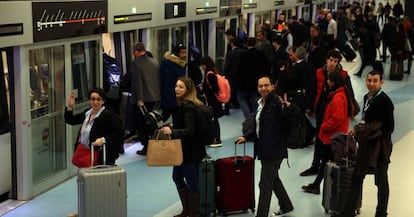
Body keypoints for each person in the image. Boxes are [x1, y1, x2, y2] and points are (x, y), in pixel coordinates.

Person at [235, 75, 299, 217]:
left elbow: (292, 119)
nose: (263, 88)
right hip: (264, 148)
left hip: (274, 150)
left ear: (272, 86)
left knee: (265, 184)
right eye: (260, 86)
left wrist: (290, 108)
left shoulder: (277, 103)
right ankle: (286, 205)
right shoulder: (259, 103)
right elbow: (258, 126)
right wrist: (246, 136)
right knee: (273, 178)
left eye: (266, 85)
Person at [337, 70, 394, 217]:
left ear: (381, 82)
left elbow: (389, 128)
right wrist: (359, 129)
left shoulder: (385, 102)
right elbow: (366, 119)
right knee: (357, 177)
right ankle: (348, 211)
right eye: (369, 80)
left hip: (380, 148)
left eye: (375, 81)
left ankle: (381, 213)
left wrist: (367, 131)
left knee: (381, 182)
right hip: (366, 146)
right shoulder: (367, 97)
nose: (371, 84)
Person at [301, 50, 354, 176]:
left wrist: (350, 110)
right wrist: (311, 107)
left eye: (335, 61)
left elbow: (349, 93)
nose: (332, 63)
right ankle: (315, 165)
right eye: (331, 60)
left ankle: (328, 167)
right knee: (320, 138)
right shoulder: (319, 72)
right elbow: (314, 90)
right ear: (326, 60)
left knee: (332, 140)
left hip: (334, 109)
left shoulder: (343, 75)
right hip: (321, 108)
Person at [159, 77, 207, 217]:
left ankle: (194, 212)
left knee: (192, 182)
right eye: (176, 86)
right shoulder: (185, 105)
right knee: (177, 177)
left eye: (181, 87)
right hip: (183, 151)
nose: (177, 89)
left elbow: (191, 130)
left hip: (189, 152)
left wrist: (172, 131)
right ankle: (187, 210)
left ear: (188, 90)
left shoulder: (188, 107)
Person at [65, 88, 123, 166]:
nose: (95, 102)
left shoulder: (108, 115)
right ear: (89, 101)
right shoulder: (87, 113)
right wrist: (70, 107)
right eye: (93, 99)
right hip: (86, 154)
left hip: (102, 157)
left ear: (103, 101)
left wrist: (103, 140)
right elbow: (70, 120)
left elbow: (118, 132)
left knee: (100, 178)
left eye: (98, 99)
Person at [130, 42, 161, 155]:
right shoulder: (154, 62)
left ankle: (146, 147)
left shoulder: (136, 63)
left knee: (142, 125)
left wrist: (139, 99)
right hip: (155, 98)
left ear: (136, 52)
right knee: (152, 123)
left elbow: (138, 82)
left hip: (143, 99)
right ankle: (155, 144)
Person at [160, 44, 187, 121]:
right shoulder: (179, 66)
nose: (184, 55)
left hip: (165, 94)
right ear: (177, 53)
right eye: (182, 53)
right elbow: (181, 81)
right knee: (177, 117)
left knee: (165, 115)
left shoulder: (164, 63)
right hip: (176, 95)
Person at [200, 56, 223, 147]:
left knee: (214, 121)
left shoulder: (209, 75)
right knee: (213, 120)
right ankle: (214, 138)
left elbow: (215, 88)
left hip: (212, 102)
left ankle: (216, 139)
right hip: (214, 101)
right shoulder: (212, 72)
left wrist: (206, 94)